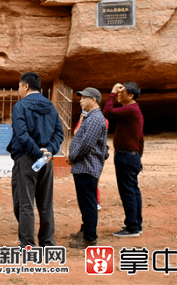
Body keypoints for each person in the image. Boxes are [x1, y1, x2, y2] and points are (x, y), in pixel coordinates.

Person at [6, 72, 64, 247]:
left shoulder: (20, 106)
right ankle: (47, 242)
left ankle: (27, 244)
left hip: (26, 158)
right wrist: (49, 151)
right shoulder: (51, 106)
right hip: (46, 160)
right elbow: (59, 133)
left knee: (24, 203)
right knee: (45, 203)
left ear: (25, 86)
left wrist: (38, 153)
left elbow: (22, 135)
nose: (19, 90)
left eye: (19, 86)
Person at [67, 88, 109, 248]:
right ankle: (85, 230)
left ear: (94, 100)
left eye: (84, 98)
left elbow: (86, 144)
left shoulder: (95, 119)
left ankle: (90, 237)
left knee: (88, 203)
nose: (80, 100)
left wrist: (72, 157)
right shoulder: (91, 117)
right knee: (85, 202)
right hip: (84, 166)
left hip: (87, 167)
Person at [103, 82, 145, 237]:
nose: (119, 95)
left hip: (126, 156)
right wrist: (138, 156)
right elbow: (141, 138)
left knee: (127, 191)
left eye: (122, 92)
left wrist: (112, 92)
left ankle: (132, 227)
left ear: (131, 96)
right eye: (118, 92)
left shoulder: (129, 109)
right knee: (133, 190)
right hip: (132, 155)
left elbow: (107, 111)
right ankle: (135, 224)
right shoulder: (134, 111)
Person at [74, 110, 109, 211]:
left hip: (96, 153)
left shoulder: (102, 120)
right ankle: (92, 201)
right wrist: (81, 121)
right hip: (84, 154)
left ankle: (95, 201)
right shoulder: (84, 120)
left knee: (93, 178)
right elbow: (76, 133)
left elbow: (95, 134)